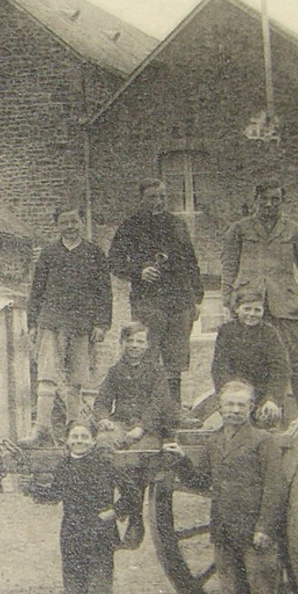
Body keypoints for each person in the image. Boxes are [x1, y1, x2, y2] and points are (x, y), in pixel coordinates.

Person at [162, 381, 288, 594]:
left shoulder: (262, 441)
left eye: (241, 405)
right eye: (229, 405)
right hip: (224, 531)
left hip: (255, 532)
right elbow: (201, 482)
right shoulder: (215, 441)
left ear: (251, 408)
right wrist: (181, 462)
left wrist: (265, 528)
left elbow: (275, 488)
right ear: (220, 408)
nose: (234, 410)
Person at [220, 179, 298, 415]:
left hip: (285, 306)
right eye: (265, 200)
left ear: (283, 202)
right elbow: (228, 268)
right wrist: (228, 302)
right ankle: (252, 413)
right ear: (256, 201)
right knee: (249, 362)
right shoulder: (240, 230)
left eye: (276, 200)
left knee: (294, 359)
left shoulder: (294, 231)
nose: (270, 205)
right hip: (251, 305)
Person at [23, 420, 121, 594]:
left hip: (100, 536)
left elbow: (130, 495)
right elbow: (54, 495)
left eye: (84, 437)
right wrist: (32, 488)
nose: (79, 441)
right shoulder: (64, 466)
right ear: (67, 440)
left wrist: (113, 513)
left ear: (93, 440)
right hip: (72, 537)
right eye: (74, 437)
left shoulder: (104, 464)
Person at [107, 179, 205, 421]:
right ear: (141, 198)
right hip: (148, 303)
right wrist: (139, 271)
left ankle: (174, 411)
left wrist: (198, 297)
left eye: (162, 196)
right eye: (152, 197)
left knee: (175, 361)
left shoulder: (177, 225)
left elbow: (191, 262)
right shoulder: (130, 226)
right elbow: (115, 262)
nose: (158, 202)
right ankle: (144, 413)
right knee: (147, 357)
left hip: (180, 301)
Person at [23, 203, 113, 446]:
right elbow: (37, 291)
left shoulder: (94, 254)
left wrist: (102, 323)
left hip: (82, 325)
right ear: (57, 225)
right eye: (64, 222)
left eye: (74, 222)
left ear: (82, 223)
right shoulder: (49, 254)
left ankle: (74, 425)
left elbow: (104, 292)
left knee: (77, 379)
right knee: (47, 375)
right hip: (51, 322)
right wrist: (32, 323)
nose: (70, 227)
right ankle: (41, 428)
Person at [93, 321, 174, 548]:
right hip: (120, 424)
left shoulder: (157, 372)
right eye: (130, 341)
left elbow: (160, 404)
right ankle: (131, 507)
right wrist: (103, 419)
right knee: (103, 450)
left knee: (138, 458)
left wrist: (143, 427)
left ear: (147, 345)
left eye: (140, 341)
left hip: (148, 428)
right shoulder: (116, 371)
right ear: (122, 343)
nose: (135, 346)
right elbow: (101, 402)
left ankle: (134, 519)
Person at [210, 287, 291, 428]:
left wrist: (272, 399)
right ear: (237, 309)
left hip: (263, 392)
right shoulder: (227, 331)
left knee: (267, 422)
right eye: (247, 309)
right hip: (236, 391)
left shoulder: (269, 333)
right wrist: (228, 394)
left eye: (257, 310)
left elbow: (280, 369)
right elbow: (220, 366)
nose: (252, 314)